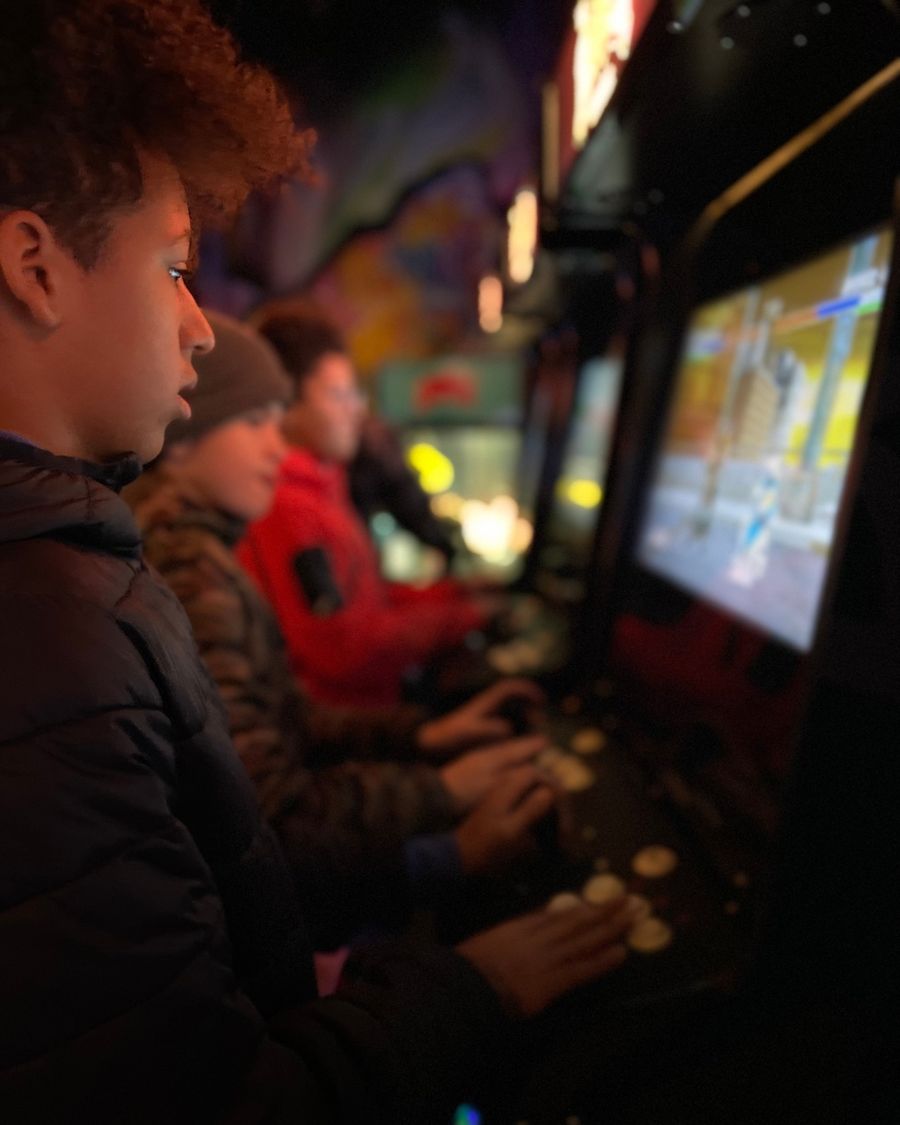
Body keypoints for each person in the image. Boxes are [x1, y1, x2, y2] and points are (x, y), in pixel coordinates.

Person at [0, 3, 639, 1121]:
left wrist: (431, 764)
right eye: (174, 267)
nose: (198, 326)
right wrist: (472, 982)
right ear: (36, 267)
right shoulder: (50, 637)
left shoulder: (80, 583)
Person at [129, 310, 555, 947]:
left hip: (346, 789)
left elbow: (285, 715)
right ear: (184, 433)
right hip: (312, 871)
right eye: (255, 421)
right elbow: (274, 807)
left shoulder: (209, 546)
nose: (278, 444)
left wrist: (424, 734)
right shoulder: (198, 571)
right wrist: (438, 802)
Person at [239, 305, 494, 706]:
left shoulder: (321, 486)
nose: (357, 409)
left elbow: (362, 601)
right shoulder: (288, 508)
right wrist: (462, 619)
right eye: (338, 394)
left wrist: (452, 594)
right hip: (347, 729)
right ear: (288, 404)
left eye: (355, 393)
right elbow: (343, 648)